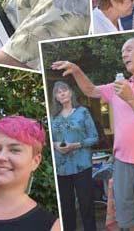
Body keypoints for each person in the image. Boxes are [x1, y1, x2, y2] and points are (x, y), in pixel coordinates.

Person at [52, 35, 134, 231]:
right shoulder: (120, 86)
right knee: (130, 224)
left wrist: (132, 99)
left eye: (128, 50)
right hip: (121, 165)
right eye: (122, 53)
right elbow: (90, 90)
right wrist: (76, 70)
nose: (124, 55)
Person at [50, 82, 98, 231]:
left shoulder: (83, 112)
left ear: (71, 93)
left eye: (64, 90)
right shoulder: (53, 117)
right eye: (58, 92)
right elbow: (50, 139)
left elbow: (94, 137)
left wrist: (76, 145)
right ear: (56, 97)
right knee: (66, 209)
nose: (62, 93)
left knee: (86, 205)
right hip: (61, 169)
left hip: (82, 165)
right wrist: (55, 145)